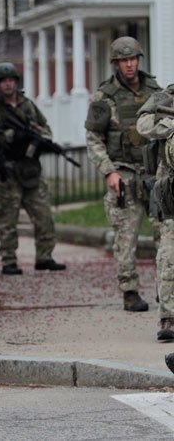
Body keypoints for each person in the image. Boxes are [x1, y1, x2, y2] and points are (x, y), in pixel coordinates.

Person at [85, 36, 161, 312]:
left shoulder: (155, 91)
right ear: (115, 63)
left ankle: (166, 290)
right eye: (124, 60)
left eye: (133, 59)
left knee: (165, 235)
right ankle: (130, 291)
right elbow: (93, 139)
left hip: (154, 174)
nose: (129, 65)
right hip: (124, 174)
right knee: (125, 237)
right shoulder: (104, 97)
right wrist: (109, 172)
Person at [0, 62, 65, 275]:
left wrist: (41, 140)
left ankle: (45, 256)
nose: (8, 84)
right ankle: (9, 261)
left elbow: (45, 128)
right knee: (8, 219)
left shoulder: (28, 105)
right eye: (4, 81)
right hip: (8, 169)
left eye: (11, 80)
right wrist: (11, 136)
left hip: (30, 168)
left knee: (44, 215)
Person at [136, 87, 174, 339]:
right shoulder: (166, 96)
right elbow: (143, 123)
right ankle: (169, 318)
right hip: (171, 190)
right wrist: (170, 125)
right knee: (169, 255)